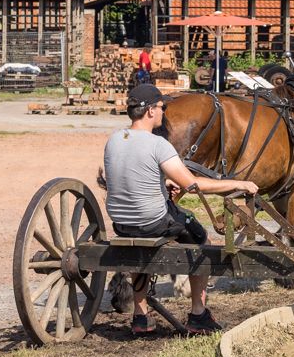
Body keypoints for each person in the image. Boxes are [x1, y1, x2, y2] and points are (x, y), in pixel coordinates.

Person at [102, 81, 256, 335]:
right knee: (200, 237)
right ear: (151, 111)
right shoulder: (158, 145)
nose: (163, 112)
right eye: (161, 107)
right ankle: (198, 313)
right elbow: (193, 184)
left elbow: (133, 174)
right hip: (152, 220)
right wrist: (239, 183)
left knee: (144, 242)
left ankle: (140, 317)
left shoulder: (114, 139)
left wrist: (163, 182)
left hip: (122, 222)